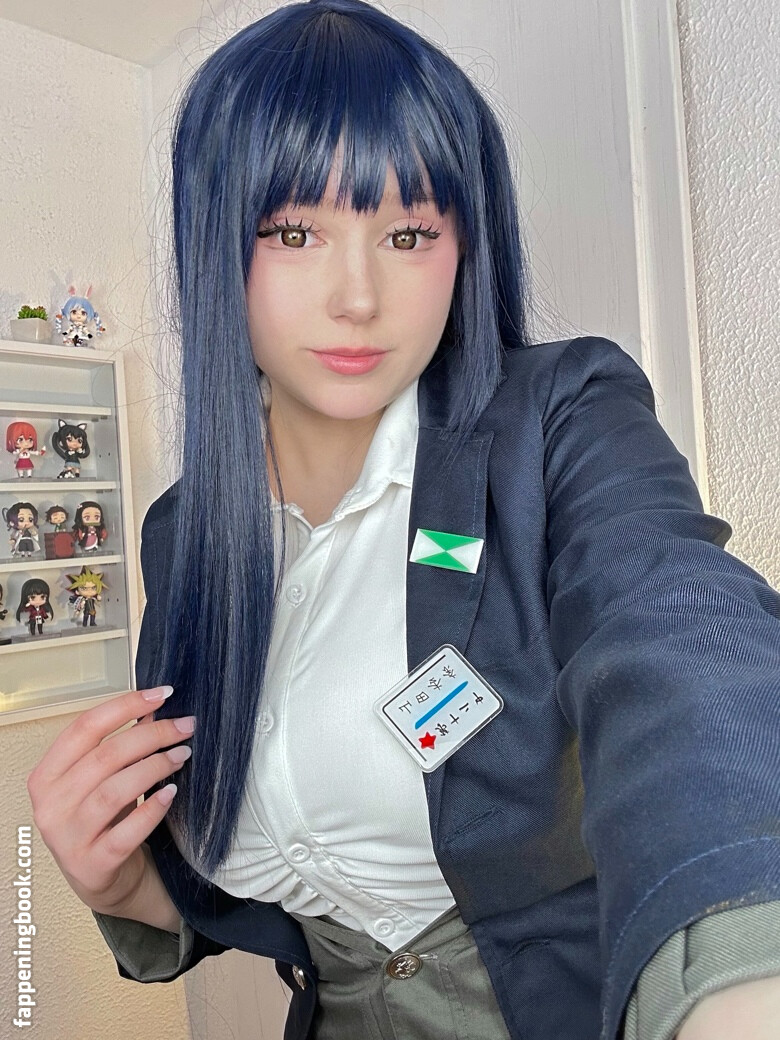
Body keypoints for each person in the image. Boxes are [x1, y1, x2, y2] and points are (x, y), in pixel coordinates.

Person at [27, 2, 780, 1039]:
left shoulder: (557, 421)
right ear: (215, 245)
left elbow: (678, 632)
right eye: (295, 232)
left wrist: (742, 965)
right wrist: (123, 882)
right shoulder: (184, 532)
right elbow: (272, 886)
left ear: (464, 244)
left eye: (410, 233)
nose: (358, 296)